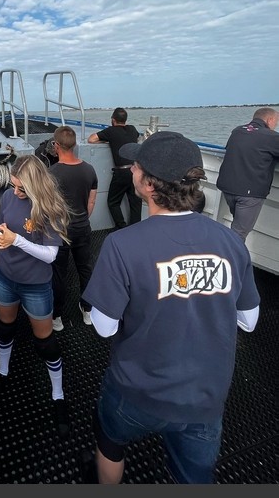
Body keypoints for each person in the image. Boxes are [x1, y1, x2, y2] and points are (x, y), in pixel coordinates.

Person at [82, 131, 260, 484]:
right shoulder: (230, 242)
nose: (131, 169)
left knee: (110, 441)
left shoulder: (121, 245)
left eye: (136, 166)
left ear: (149, 185)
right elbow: (249, 321)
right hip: (205, 398)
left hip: (136, 392)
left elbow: (104, 326)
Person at [0, 154, 72, 437]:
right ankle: (2, 372)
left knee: (45, 342)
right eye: (12, 186)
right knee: (5, 328)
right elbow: (2, 225)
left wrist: (16, 240)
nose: (15, 192)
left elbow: (50, 255)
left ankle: (58, 394)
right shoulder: (10, 197)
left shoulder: (50, 207)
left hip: (35, 284)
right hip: (5, 278)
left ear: (35, 186)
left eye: (21, 188)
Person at [49, 126, 98, 330]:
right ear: (75, 144)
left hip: (60, 231)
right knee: (85, 269)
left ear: (56, 145)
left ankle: (57, 316)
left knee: (58, 274)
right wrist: (82, 220)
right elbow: (91, 203)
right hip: (82, 228)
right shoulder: (89, 170)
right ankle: (87, 310)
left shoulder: (51, 173)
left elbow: (47, 206)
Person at [217, 107, 279, 242]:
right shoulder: (272, 137)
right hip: (249, 193)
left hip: (228, 188)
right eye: (276, 123)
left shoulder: (237, 131)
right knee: (239, 233)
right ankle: (231, 260)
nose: (275, 126)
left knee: (237, 227)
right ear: (270, 120)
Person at [87, 108, 142, 230]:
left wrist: (107, 139)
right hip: (135, 170)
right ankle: (135, 230)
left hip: (121, 172)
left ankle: (120, 227)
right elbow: (137, 138)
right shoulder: (132, 129)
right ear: (125, 120)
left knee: (113, 202)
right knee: (135, 203)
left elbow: (91, 139)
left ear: (113, 120)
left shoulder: (111, 131)